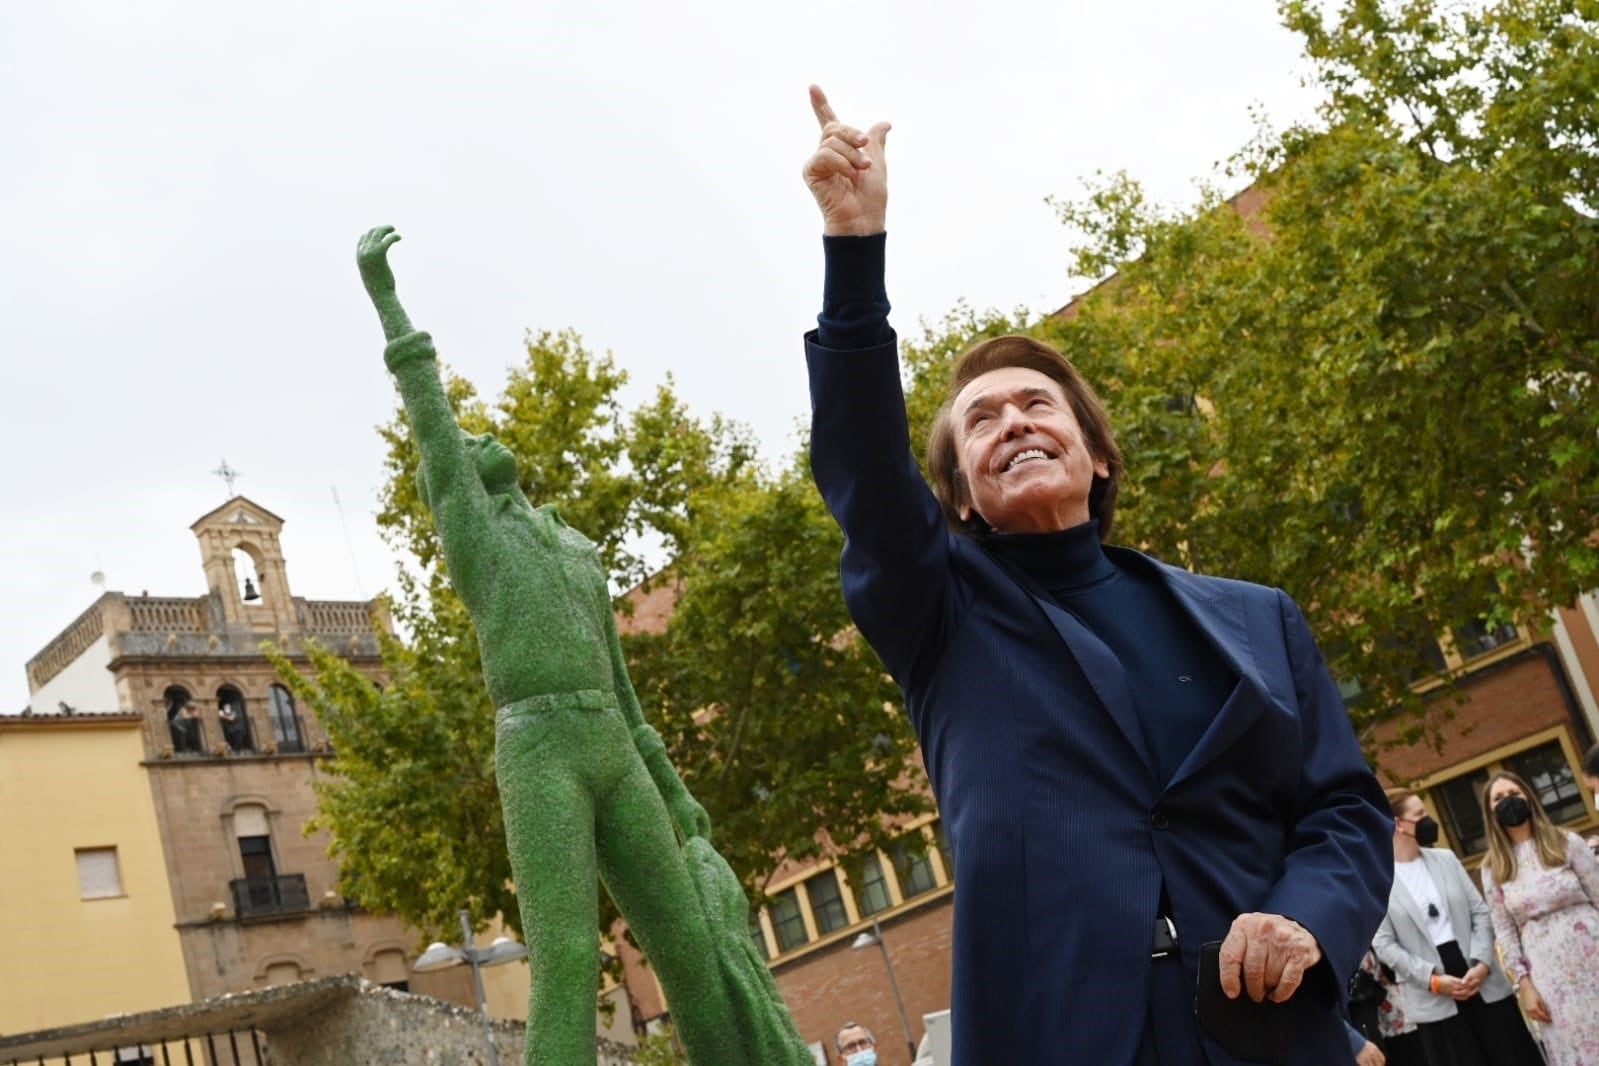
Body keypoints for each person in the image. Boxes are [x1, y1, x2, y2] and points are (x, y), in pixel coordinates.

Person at [799, 86, 1393, 1065]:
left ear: (1098, 453)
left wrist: (1302, 918)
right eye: (981, 422)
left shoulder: (1259, 621)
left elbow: (1344, 810)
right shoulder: (940, 612)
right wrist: (853, 247)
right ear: (957, 498)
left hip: (1265, 1033)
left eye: (1038, 403)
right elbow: (864, 467)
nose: (1015, 421)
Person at [356, 227, 812, 1066]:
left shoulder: (576, 551)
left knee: (690, 948)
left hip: (613, 742)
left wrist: (672, 790)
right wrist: (388, 301)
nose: (481, 439)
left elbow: (628, 693)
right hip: (538, 747)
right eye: (468, 445)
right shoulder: (478, 539)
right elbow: (433, 425)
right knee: (565, 954)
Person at [1371, 789, 1541, 1066]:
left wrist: (1483, 963)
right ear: (1398, 824)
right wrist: (1433, 980)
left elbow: (1480, 912)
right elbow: (1384, 944)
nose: (1428, 821)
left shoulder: (1446, 859)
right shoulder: (1378, 881)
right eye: (1420, 815)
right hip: (1432, 993)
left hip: (1480, 976)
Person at [1479, 771, 1599, 1065]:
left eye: (1514, 794)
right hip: (1547, 973)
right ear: (1490, 811)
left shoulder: (1566, 842)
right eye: (1499, 798)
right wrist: (1525, 986)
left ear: (1529, 798)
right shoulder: (1493, 867)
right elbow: (1504, 931)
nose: (1508, 801)